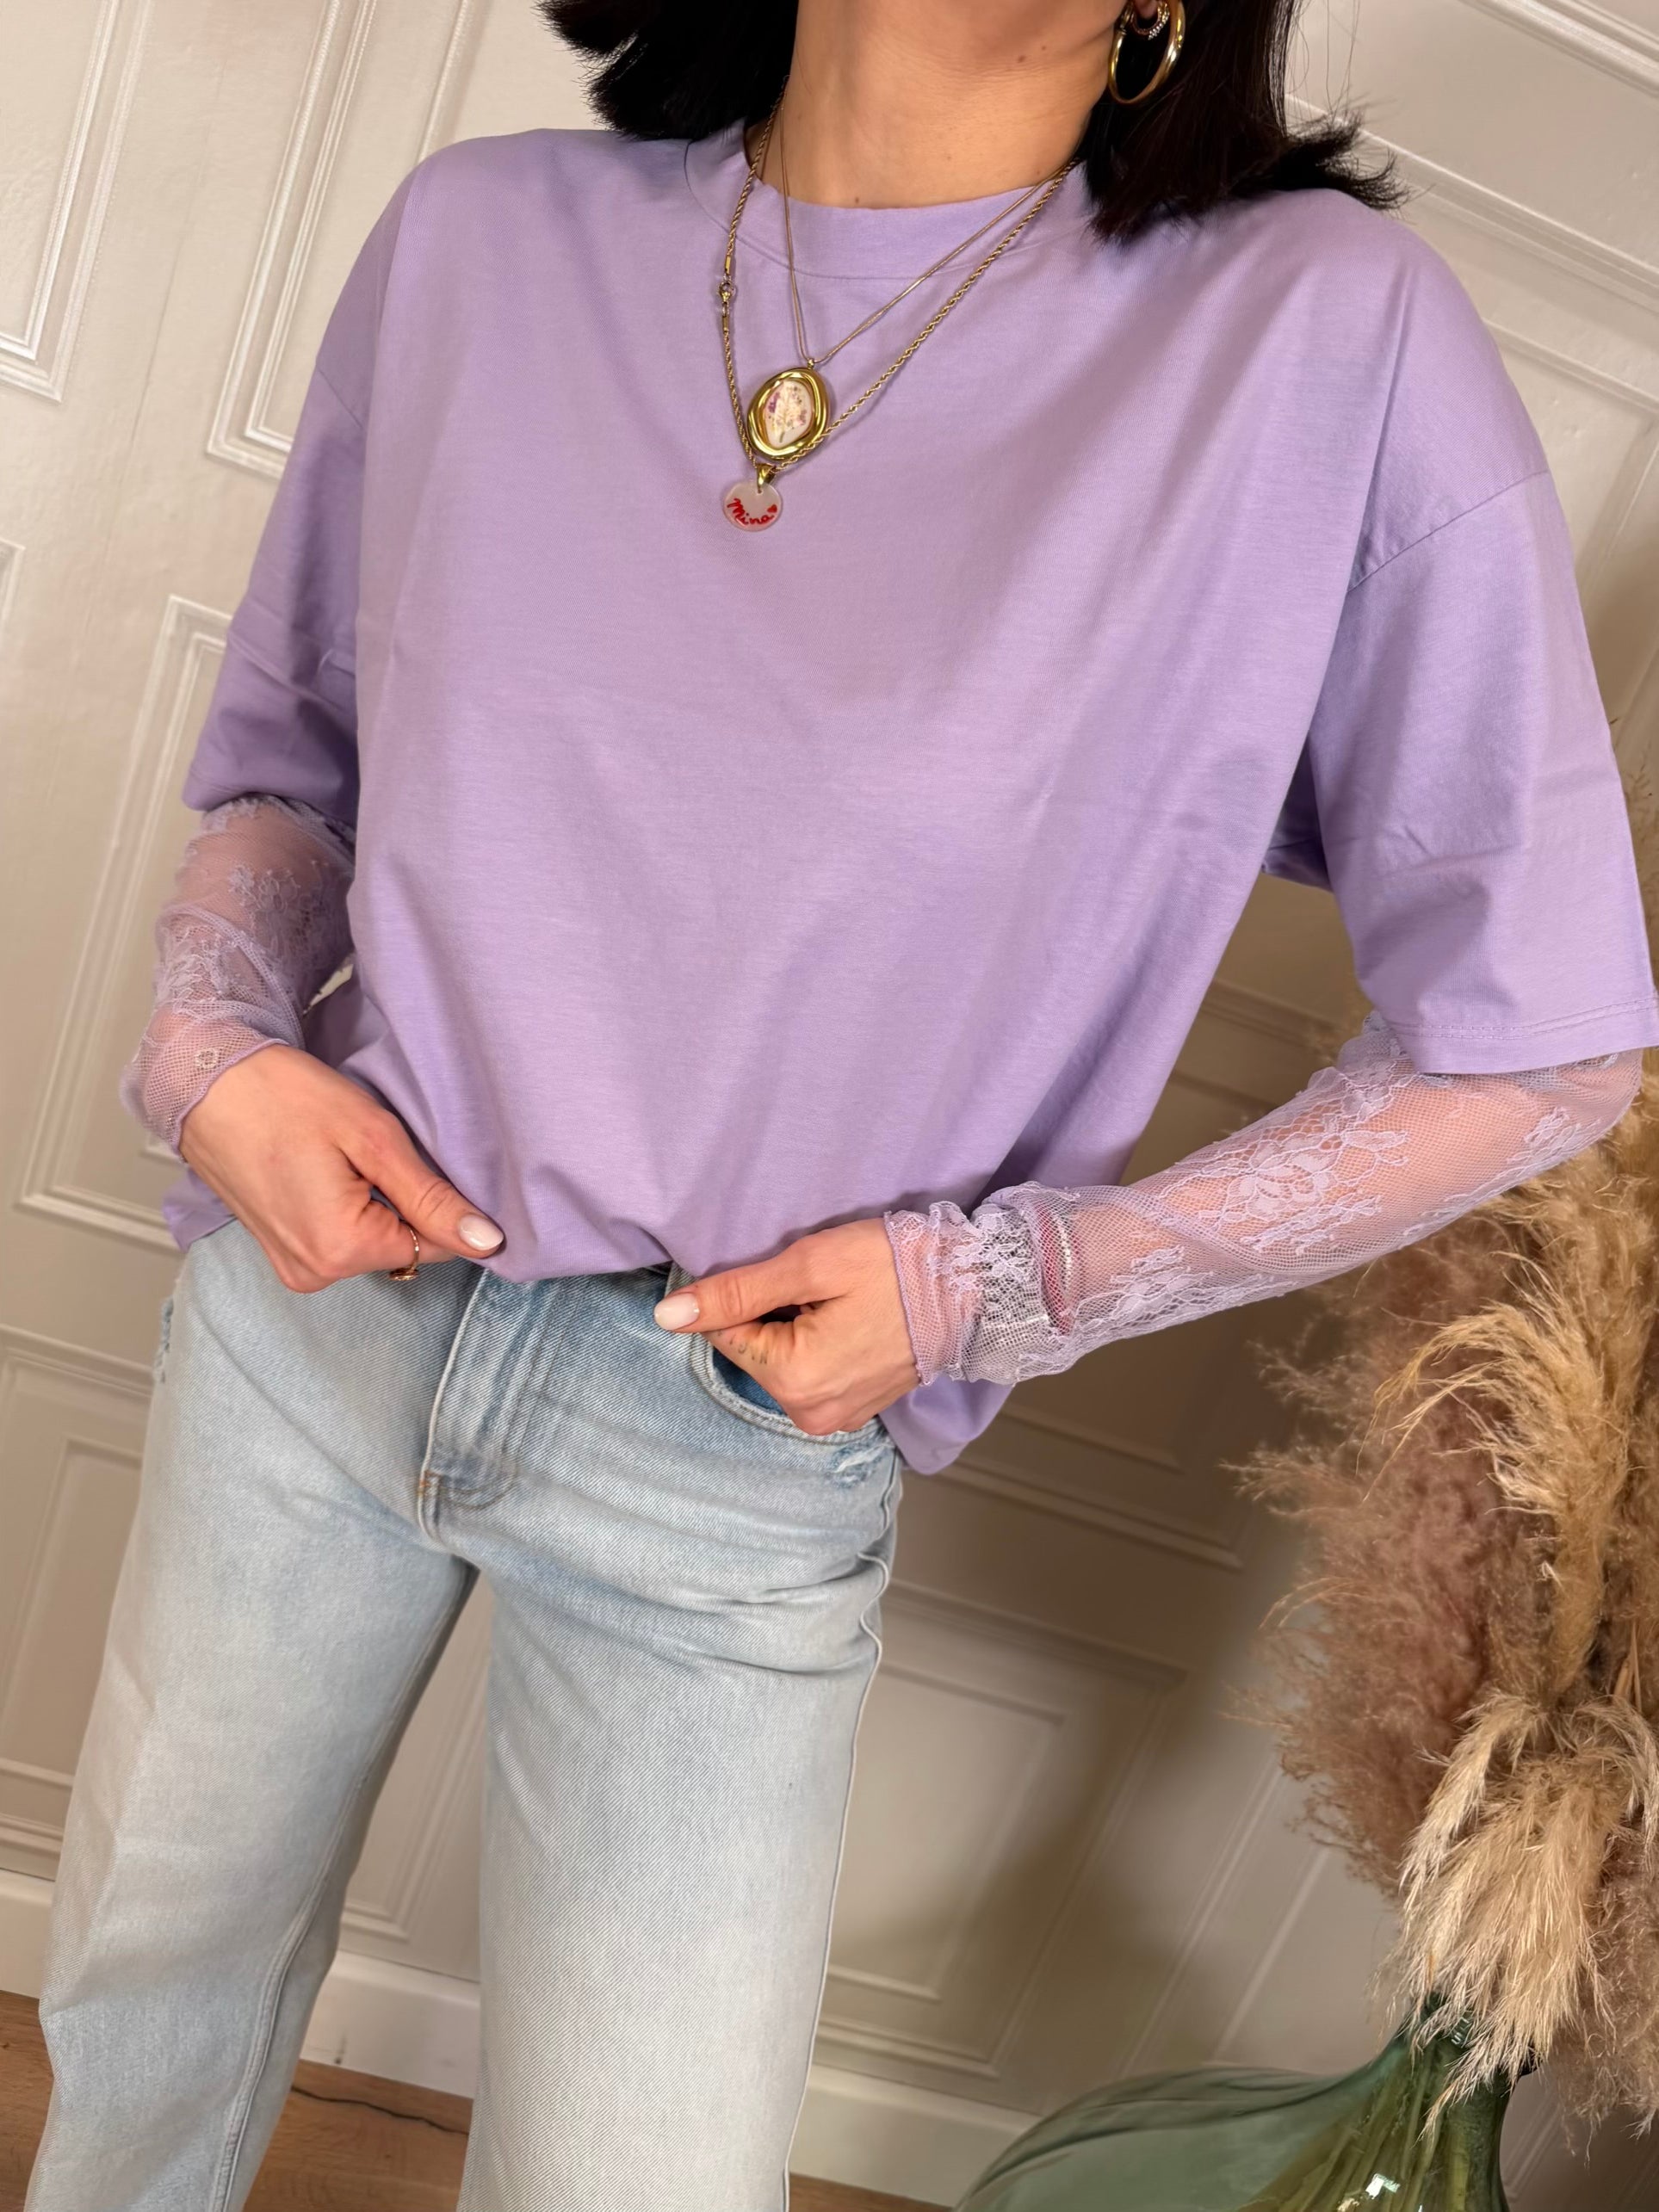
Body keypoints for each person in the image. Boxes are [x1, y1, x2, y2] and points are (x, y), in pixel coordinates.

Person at [26, 0, 1659, 2206]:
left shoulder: (1317, 344)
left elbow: (1534, 1035)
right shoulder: (481, 242)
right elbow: (288, 773)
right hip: (309, 1330)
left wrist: (1005, 1285)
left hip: (730, 1453)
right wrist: (211, 1048)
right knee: (144, 2006)